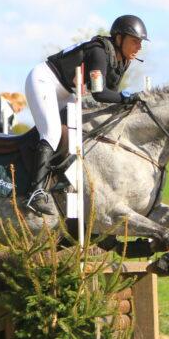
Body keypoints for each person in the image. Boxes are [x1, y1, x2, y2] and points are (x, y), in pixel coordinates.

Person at [23, 14, 148, 215]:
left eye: (140, 43)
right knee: (52, 133)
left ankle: (59, 181)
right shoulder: (99, 52)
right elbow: (100, 94)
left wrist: (127, 104)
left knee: (82, 132)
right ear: (119, 38)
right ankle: (34, 192)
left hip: (66, 91)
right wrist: (127, 98)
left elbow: (110, 96)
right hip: (44, 81)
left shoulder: (122, 61)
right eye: (135, 41)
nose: (139, 47)